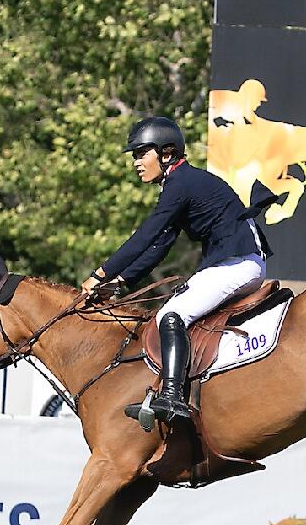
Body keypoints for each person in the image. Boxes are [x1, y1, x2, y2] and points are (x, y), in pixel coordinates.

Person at [82, 116, 278, 427]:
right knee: (175, 312)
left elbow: (145, 235)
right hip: (241, 261)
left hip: (237, 263)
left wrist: (100, 274)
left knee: (170, 316)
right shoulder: (181, 183)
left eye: (141, 153)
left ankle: (173, 397)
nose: (135, 162)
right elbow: (160, 245)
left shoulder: (181, 184)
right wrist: (121, 281)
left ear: (167, 152)